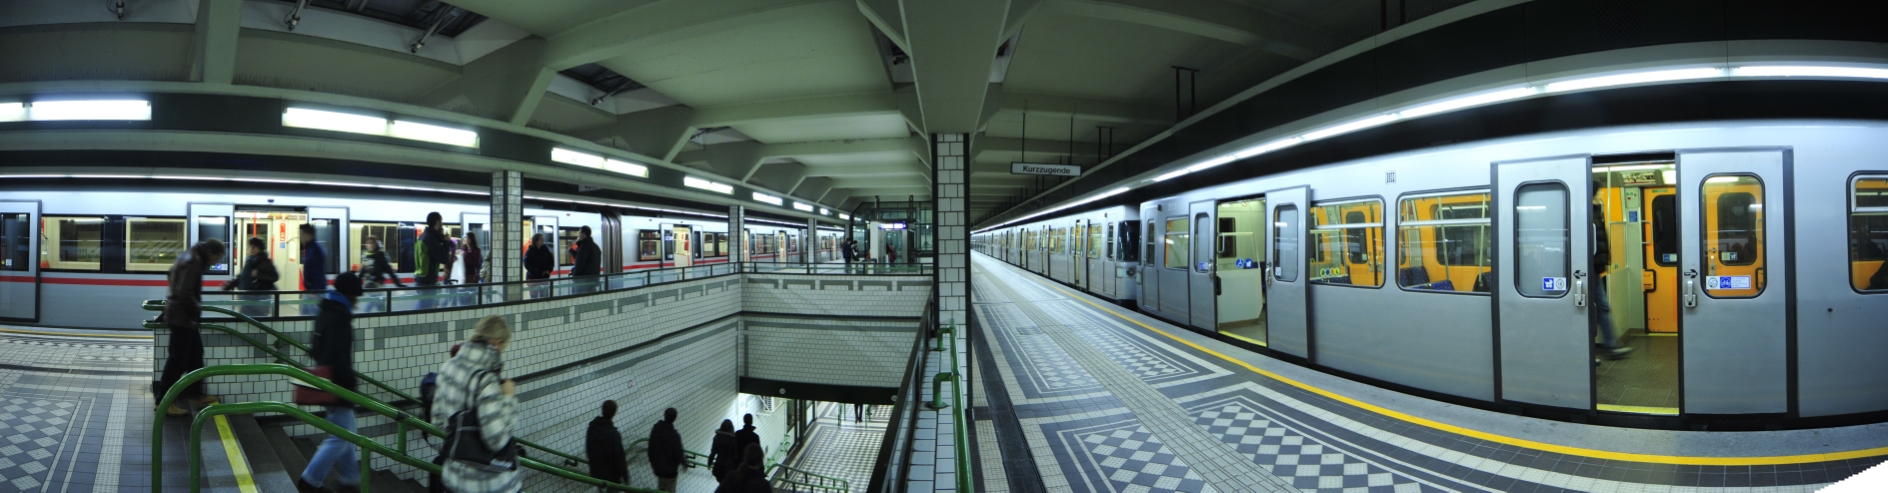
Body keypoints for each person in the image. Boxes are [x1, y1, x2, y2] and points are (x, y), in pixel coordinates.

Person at [432, 316, 521, 493]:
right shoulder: (485, 379)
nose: (502, 351)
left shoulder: (448, 367)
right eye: (503, 347)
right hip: (490, 485)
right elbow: (496, 440)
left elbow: (438, 421)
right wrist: (509, 397)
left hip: (454, 479)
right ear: (497, 342)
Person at [298, 273, 366, 493]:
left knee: (347, 432)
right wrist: (349, 382)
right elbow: (339, 356)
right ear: (349, 294)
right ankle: (309, 481)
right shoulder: (340, 317)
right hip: (337, 385)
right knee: (340, 436)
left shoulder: (326, 311)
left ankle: (349, 480)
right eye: (356, 296)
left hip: (327, 381)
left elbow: (317, 349)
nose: (357, 300)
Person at [157, 239, 227, 416]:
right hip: (182, 317)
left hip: (182, 316)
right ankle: (163, 402)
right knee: (177, 361)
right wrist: (197, 309)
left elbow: (170, 273)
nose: (215, 262)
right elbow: (184, 293)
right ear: (210, 253)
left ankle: (196, 394)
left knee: (195, 354)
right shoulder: (193, 262)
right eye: (217, 258)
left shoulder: (189, 254)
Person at [1592, 195, 1632, 360]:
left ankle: (1611, 345)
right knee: (1602, 307)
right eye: (1597, 192)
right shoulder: (1590, 212)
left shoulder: (1594, 211)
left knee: (1602, 308)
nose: (1600, 196)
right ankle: (1610, 346)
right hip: (1589, 269)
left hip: (1593, 268)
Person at [223, 237, 279, 317]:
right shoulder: (250, 260)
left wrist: (259, 274)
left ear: (259, 248)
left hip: (261, 298)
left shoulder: (265, 261)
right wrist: (229, 285)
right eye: (250, 246)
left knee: (258, 321)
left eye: (253, 247)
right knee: (246, 321)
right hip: (248, 297)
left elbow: (275, 276)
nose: (251, 249)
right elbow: (242, 276)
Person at [584, 400, 628, 490]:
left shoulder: (591, 429)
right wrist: (625, 476)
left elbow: (589, 450)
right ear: (614, 413)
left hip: (596, 472)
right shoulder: (614, 434)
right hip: (612, 476)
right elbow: (619, 457)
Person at [415, 212, 451, 309]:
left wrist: (442, 239)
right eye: (441, 221)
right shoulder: (430, 238)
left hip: (422, 278)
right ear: (438, 222)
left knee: (425, 310)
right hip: (427, 281)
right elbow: (443, 258)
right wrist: (446, 243)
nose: (442, 224)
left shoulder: (423, 236)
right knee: (421, 311)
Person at [648, 407, 685, 492]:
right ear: (675, 418)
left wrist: (652, 461)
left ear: (664, 415)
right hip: (670, 472)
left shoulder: (656, 429)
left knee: (661, 487)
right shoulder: (674, 436)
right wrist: (684, 463)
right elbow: (679, 453)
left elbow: (651, 446)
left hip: (658, 468)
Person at [300, 224, 328, 315]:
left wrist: (313, 289)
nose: (300, 237)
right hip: (311, 290)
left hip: (315, 292)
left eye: (302, 234)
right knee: (306, 317)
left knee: (312, 317)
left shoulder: (315, 250)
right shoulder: (310, 248)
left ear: (308, 235)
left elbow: (317, 271)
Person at [572, 226, 602, 293]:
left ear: (584, 234)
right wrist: (572, 251)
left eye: (579, 233)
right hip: (594, 280)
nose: (578, 235)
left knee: (581, 300)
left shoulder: (584, 247)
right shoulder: (595, 247)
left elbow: (579, 263)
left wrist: (575, 277)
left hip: (584, 281)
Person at [525, 233, 555, 298]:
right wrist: (539, 271)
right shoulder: (530, 251)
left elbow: (551, 261)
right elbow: (527, 264)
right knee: (534, 297)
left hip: (544, 278)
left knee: (544, 297)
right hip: (533, 278)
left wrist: (549, 269)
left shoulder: (545, 250)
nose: (543, 240)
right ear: (536, 240)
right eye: (541, 239)